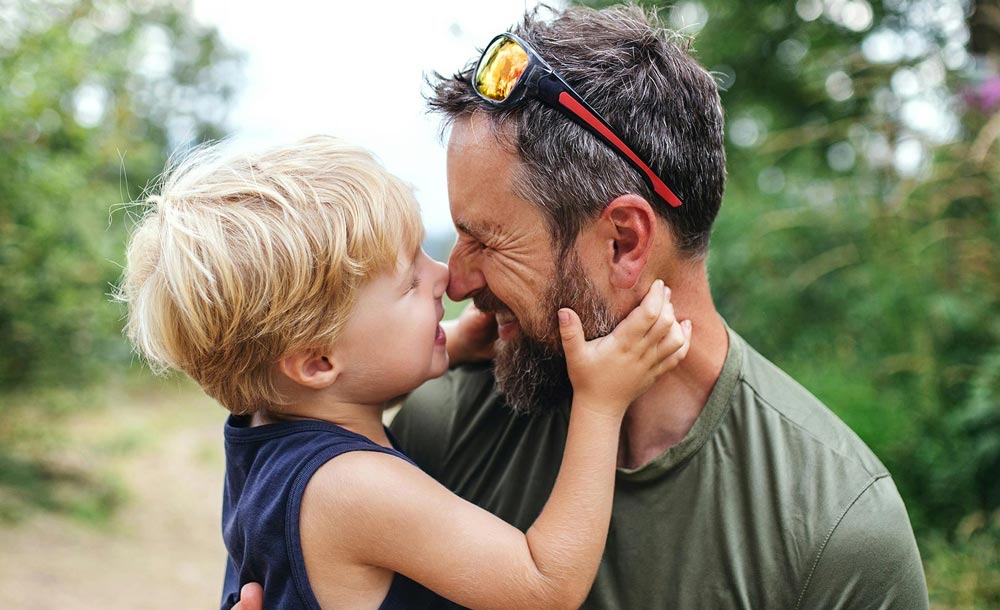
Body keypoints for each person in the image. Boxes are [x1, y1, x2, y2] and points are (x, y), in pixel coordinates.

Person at [234, 4, 930, 609]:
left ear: (624, 242)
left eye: (488, 239)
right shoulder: (439, 424)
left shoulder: (836, 528)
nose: (457, 280)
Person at [118, 135, 692, 610]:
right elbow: (546, 584)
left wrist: (444, 348)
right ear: (317, 360)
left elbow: (336, 407)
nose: (444, 277)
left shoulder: (261, 431)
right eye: (409, 282)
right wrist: (600, 401)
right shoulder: (352, 490)